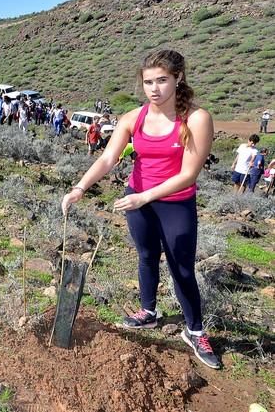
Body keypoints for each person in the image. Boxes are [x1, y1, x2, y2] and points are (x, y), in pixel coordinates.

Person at [62, 50, 221, 370]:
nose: (154, 88)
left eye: (162, 80)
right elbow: (108, 159)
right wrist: (80, 188)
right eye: (148, 81)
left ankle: (194, 331)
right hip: (138, 199)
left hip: (174, 203)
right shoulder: (133, 117)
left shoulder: (196, 117)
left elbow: (188, 174)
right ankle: (148, 312)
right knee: (146, 255)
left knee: (182, 268)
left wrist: (145, 197)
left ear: (178, 78)